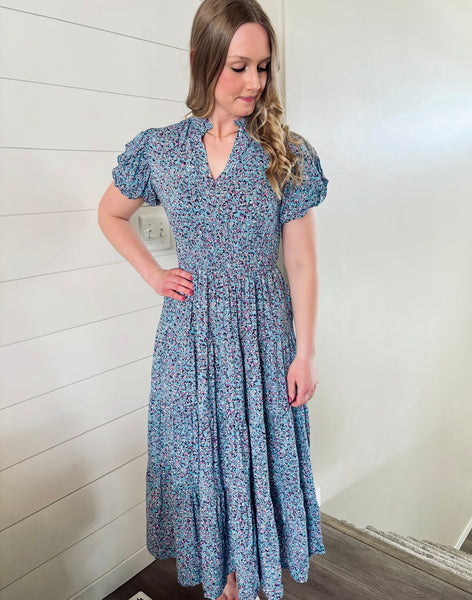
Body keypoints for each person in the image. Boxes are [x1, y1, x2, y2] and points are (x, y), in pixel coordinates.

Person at [98, 1, 328, 599]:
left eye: (263, 67)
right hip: (190, 338)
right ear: (202, 60)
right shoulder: (160, 149)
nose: (254, 82)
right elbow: (111, 213)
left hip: (263, 336)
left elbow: (301, 262)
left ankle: (248, 581)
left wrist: (305, 352)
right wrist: (154, 275)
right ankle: (223, 581)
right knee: (203, 463)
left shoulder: (286, 152)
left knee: (257, 462)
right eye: (239, 66)